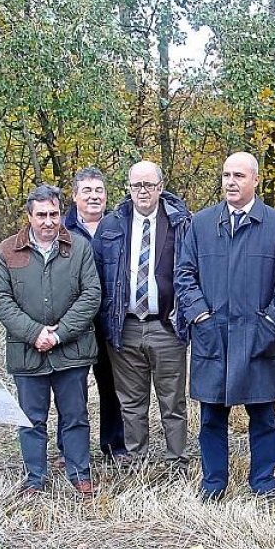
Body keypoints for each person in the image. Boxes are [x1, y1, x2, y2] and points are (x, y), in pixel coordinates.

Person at [174, 152, 275, 501]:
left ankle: (263, 481)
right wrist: (200, 317)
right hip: (212, 336)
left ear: (255, 180)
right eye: (227, 175)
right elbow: (184, 275)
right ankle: (213, 483)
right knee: (211, 416)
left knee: (263, 415)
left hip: (258, 338)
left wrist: (272, 320)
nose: (231, 182)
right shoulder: (201, 223)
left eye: (239, 176)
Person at [0, 184, 102, 496]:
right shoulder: (7, 250)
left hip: (71, 351)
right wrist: (33, 333)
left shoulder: (79, 248)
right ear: (29, 216)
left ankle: (79, 473)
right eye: (41, 215)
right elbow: (0, 299)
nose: (49, 221)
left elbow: (91, 295)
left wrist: (59, 333)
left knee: (75, 417)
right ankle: (34, 478)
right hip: (27, 353)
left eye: (54, 214)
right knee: (31, 419)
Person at [91, 161, 193, 471]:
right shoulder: (111, 225)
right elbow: (96, 277)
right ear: (128, 188)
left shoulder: (181, 223)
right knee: (131, 403)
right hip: (126, 327)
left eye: (149, 184)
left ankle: (177, 461)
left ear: (161, 187)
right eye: (137, 185)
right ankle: (137, 463)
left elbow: (192, 272)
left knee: (172, 402)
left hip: (167, 326)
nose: (143, 191)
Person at [63, 167, 127, 461]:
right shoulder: (61, 230)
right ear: (74, 196)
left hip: (111, 322)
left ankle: (114, 446)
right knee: (72, 389)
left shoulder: (119, 225)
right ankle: (71, 449)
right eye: (86, 191)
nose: (93, 196)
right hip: (74, 322)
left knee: (112, 386)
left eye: (99, 190)